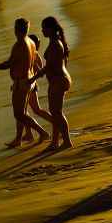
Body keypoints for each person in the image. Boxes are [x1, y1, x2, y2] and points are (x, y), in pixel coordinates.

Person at [0, 18, 49, 148]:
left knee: (19, 113)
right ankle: (19, 138)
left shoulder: (20, 44)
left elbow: (9, 63)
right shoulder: (31, 42)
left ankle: (42, 132)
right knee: (22, 112)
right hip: (29, 80)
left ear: (16, 29)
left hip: (22, 82)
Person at [28, 17, 73, 150]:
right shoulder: (55, 42)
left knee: (57, 113)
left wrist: (33, 78)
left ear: (51, 29)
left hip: (59, 81)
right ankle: (54, 142)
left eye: (44, 28)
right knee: (55, 113)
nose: (42, 30)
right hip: (57, 80)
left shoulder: (55, 44)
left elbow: (49, 67)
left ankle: (67, 141)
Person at [21, 35, 55, 143]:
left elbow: (38, 71)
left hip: (30, 85)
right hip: (30, 85)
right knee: (27, 110)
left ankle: (55, 123)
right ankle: (29, 133)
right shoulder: (33, 55)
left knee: (33, 110)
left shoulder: (33, 55)